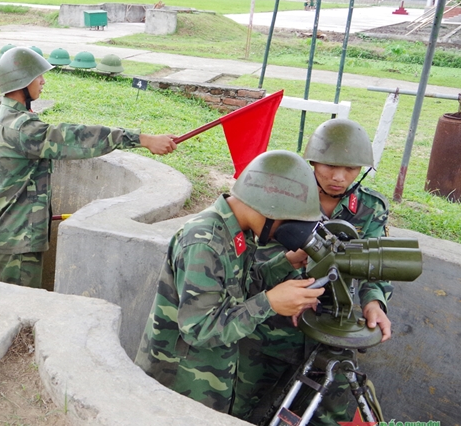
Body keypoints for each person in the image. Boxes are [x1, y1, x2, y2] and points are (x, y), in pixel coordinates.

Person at [231, 118, 392, 426]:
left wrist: (373, 301)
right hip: (270, 330)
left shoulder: (371, 210)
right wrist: (297, 287)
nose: (338, 177)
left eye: (349, 169)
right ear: (313, 161)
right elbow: (255, 258)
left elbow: (376, 266)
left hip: (331, 335)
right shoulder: (282, 197)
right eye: (331, 166)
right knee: (245, 413)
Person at [134, 150, 327, 412]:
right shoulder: (204, 243)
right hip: (180, 384)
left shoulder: (238, 230)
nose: (289, 229)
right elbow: (199, 329)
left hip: (213, 375)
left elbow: (238, 287)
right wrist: (269, 303)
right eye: (287, 220)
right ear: (267, 207)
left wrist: (285, 263)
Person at [0, 46, 180, 288]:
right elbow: (74, 137)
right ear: (22, 82)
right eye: (38, 77)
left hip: (13, 230)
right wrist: (142, 139)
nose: (43, 82)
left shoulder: (0, 116)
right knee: (21, 304)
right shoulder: (23, 129)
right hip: (21, 236)